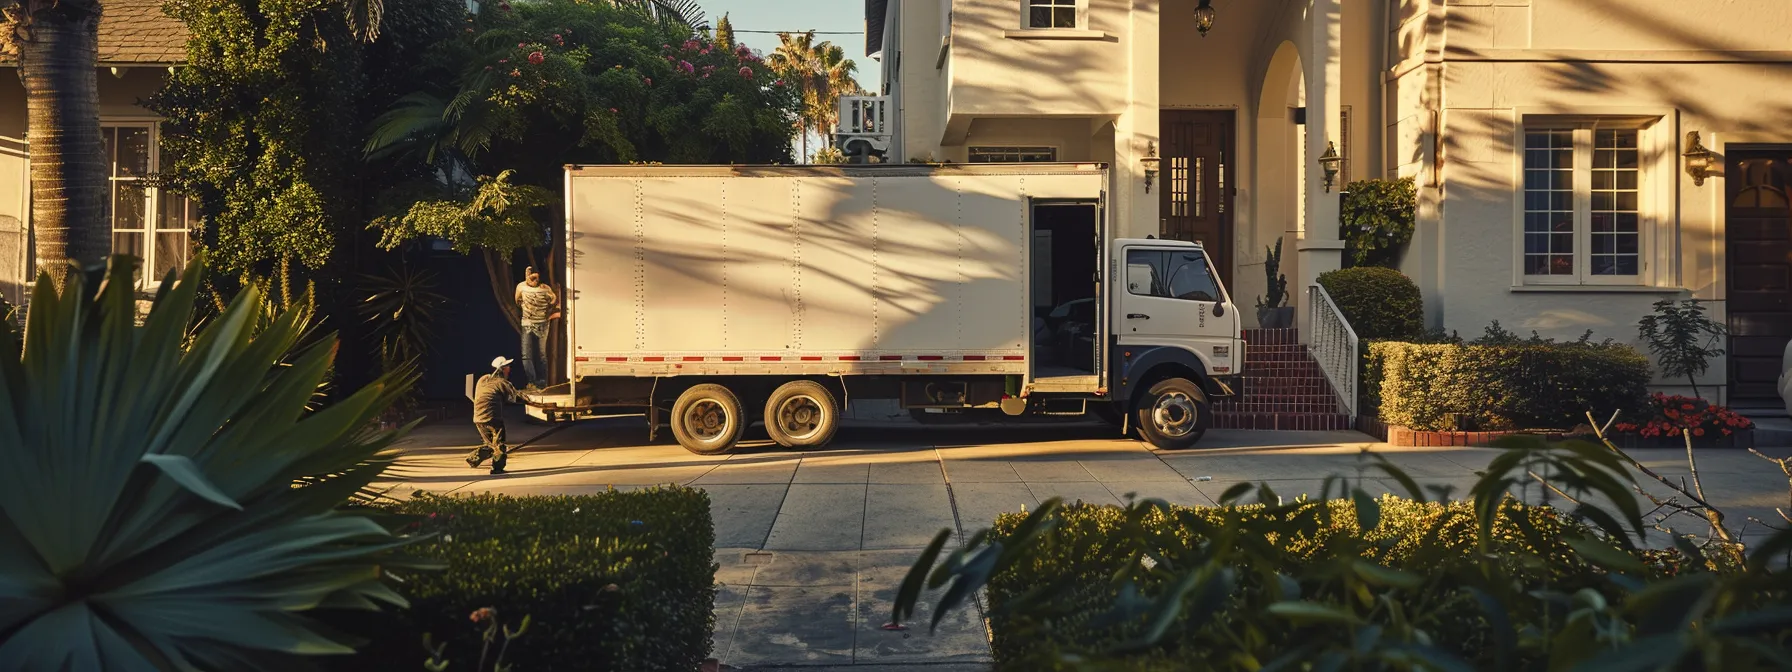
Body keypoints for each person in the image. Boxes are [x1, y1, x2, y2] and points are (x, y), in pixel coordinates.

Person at [468, 356, 525, 474]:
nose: (509, 369)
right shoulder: (502, 383)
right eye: (507, 367)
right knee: (499, 445)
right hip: (492, 417)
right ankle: (497, 469)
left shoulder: (483, 379)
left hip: (478, 418)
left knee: (490, 444)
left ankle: (473, 459)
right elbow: (517, 397)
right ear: (502, 369)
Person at [515, 267, 560, 390]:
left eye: (536, 277)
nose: (534, 279)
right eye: (531, 276)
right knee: (526, 355)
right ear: (526, 275)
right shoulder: (521, 287)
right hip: (527, 323)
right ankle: (532, 381)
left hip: (542, 324)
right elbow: (518, 301)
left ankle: (542, 382)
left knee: (542, 354)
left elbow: (553, 301)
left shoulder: (545, 288)